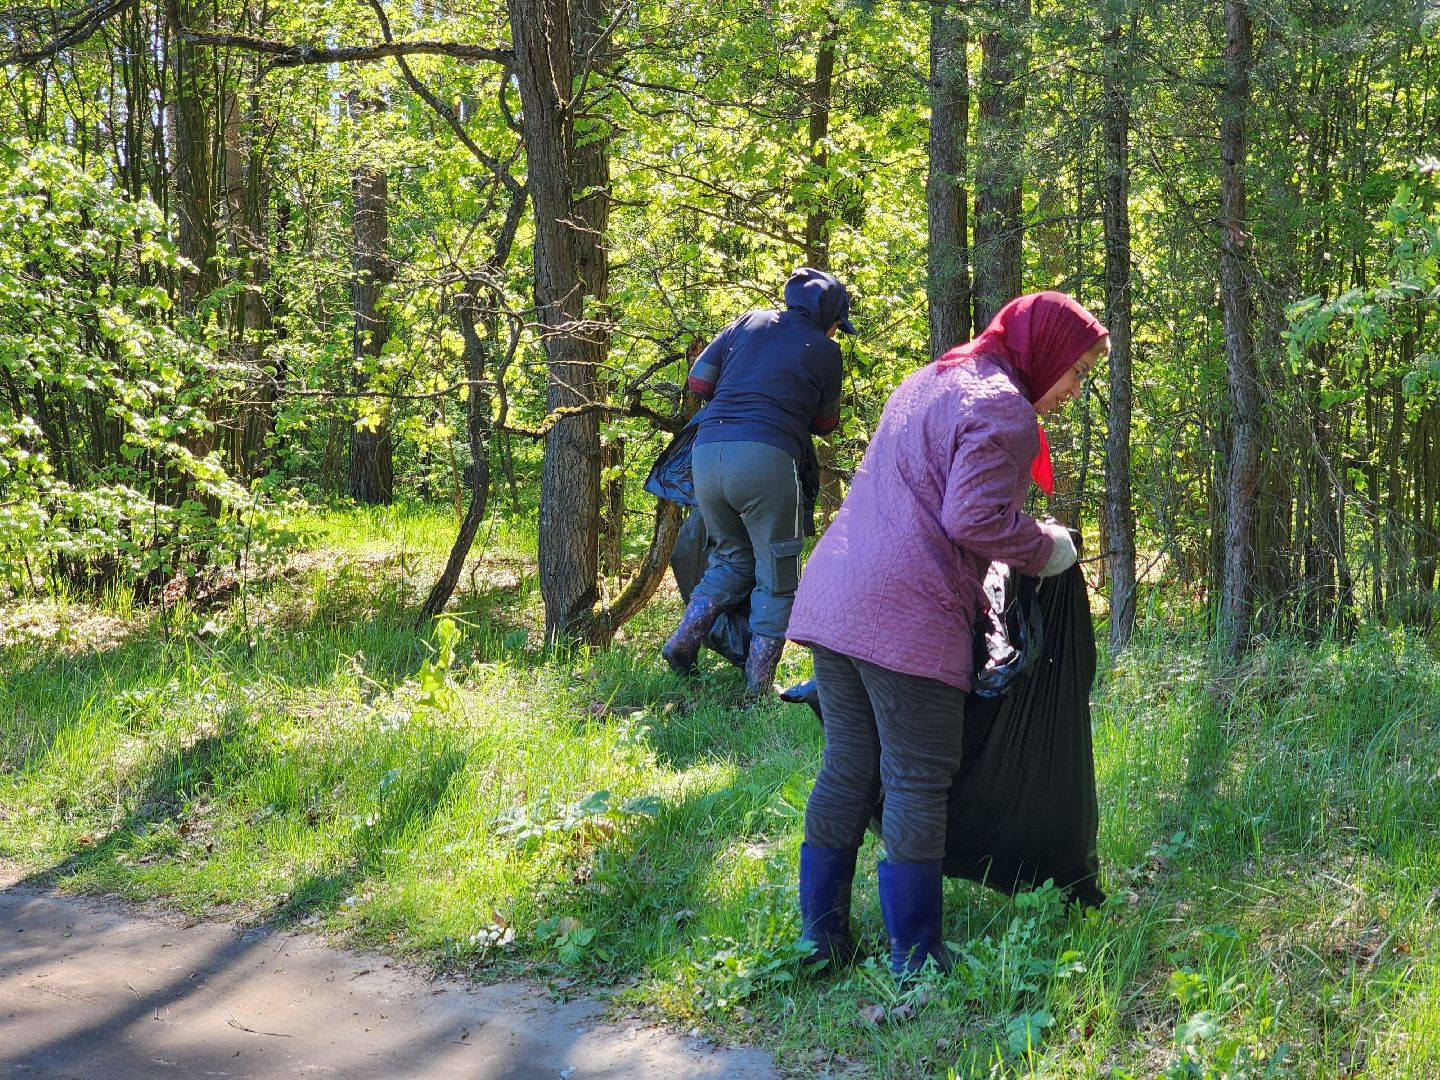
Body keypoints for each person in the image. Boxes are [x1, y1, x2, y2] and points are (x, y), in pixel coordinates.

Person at [784, 291, 1109, 978]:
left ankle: (819, 941)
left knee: (848, 766)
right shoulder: (1004, 409)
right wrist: (1048, 547)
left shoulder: (934, 378)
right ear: (1044, 353)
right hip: (904, 610)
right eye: (1076, 371)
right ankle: (916, 957)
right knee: (916, 779)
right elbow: (974, 519)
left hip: (837, 595)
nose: (1076, 389)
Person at [661, 267, 856, 697]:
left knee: (730, 559)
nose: (835, 333)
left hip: (708, 453)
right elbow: (826, 423)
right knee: (778, 578)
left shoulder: (748, 321)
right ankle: (756, 690)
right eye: (837, 325)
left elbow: (698, 380)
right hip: (766, 458)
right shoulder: (825, 350)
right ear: (829, 317)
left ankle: (682, 641)